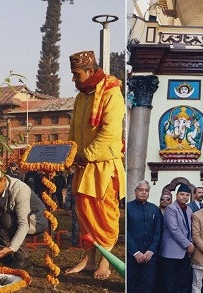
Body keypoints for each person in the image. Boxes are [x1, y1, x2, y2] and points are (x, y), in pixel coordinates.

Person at [65, 50, 125, 279]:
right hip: (83, 166)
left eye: (76, 74)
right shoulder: (81, 97)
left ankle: (105, 263)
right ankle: (89, 259)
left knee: (105, 216)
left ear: (90, 71)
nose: (73, 79)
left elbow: (110, 133)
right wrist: (69, 154)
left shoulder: (112, 93)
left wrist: (85, 155)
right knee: (84, 215)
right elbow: (73, 131)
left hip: (103, 167)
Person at [127, 181, 162, 293]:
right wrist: (136, 252)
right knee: (131, 285)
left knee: (148, 286)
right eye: (141, 190)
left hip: (149, 257)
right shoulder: (128, 207)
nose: (144, 192)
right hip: (132, 256)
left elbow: (158, 232)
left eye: (146, 190)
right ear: (135, 191)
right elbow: (126, 232)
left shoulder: (154, 209)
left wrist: (151, 251)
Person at [158, 184, 193, 293]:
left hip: (185, 254)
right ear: (177, 195)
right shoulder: (171, 209)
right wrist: (188, 244)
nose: (185, 197)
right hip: (171, 253)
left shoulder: (189, 210)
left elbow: (190, 229)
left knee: (182, 283)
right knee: (170, 284)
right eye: (182, 194)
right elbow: (174, 230)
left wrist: (191, 242)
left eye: (187, 195)